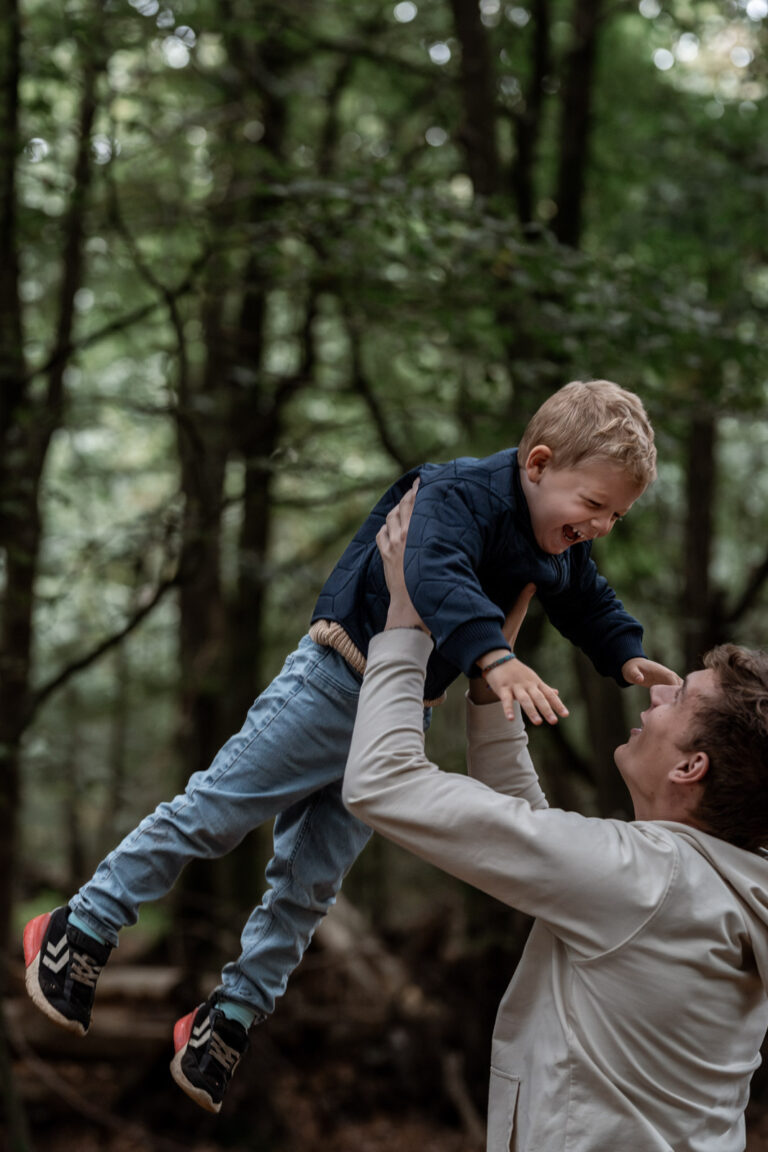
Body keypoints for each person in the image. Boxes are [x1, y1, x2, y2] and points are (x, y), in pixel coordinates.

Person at [23, 379, 678, 1114]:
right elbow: (434, 574)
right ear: (538, 464)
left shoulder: (557, 544)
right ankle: (82, 923)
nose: (602, 526)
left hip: (398, 717)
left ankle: (229, 1017)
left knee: (311, 882)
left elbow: (588, 598)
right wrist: (495, 657)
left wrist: (624, 652)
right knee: (215, 813)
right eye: (594, 505)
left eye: (616, 514)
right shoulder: (456, 494)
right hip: (335, 681)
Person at [343, 485, 768, 1152]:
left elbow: (382, 783)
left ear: (693, 767)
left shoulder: (645, 880)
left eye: (678, 696)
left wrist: (403, 626)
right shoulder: (725, 886)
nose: (656, 691)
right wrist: (489, 692)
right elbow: (543, 845)